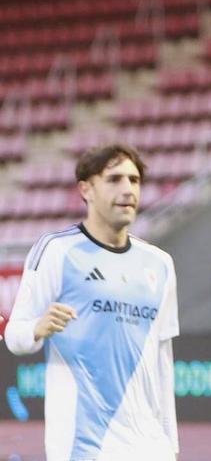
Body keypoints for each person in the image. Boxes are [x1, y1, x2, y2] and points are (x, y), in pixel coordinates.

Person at [5, 144, 179, 461]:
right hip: (83, 447)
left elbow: (162, 360)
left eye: (134, 180)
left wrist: (171, 444)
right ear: (86, 189)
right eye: (114, 180)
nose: (128, 189)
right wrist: (37, 327)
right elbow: (15, 336)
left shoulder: (160, 264)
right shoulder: (57, 250)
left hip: (150, 447)